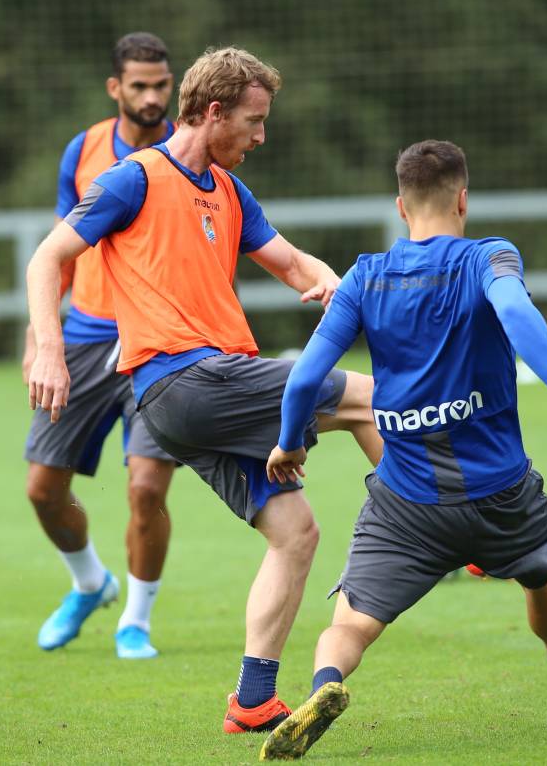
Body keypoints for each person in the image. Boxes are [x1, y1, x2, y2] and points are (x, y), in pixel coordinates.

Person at [26, 46, 384, 733]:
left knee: (296, 534)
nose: (260, 136)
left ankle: (253, 701)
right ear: (214, 112)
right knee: (371, 397)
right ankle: (439, 515)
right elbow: (48, 258)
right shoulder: (134, 179)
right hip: (188, 380)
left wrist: (329, 279)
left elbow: (289, 261)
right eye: (253, 120)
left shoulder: (228, 191)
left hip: (195, 401)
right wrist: (48, 348)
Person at [257, 140, 547, 761]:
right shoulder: (490, 257)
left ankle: (326, 686)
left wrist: (287, 444)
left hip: (407, 502)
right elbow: (515, 309)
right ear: (463, 199)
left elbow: (306, 375)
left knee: (352, 622)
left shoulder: (364, 276)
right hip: (501, 492)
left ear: (400, 207)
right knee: (541, 572)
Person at [22, 32, 181, 660]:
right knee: (42, 489)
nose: (150, 96)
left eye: (160, 85)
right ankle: (90, 583)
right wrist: (42, 340)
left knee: (146, 488)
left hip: (159, 343)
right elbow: (59, 252)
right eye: (138, 85)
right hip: (85, 337)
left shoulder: (188, 154)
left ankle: (135, 621)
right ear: (115, 88)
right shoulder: (83, 150)